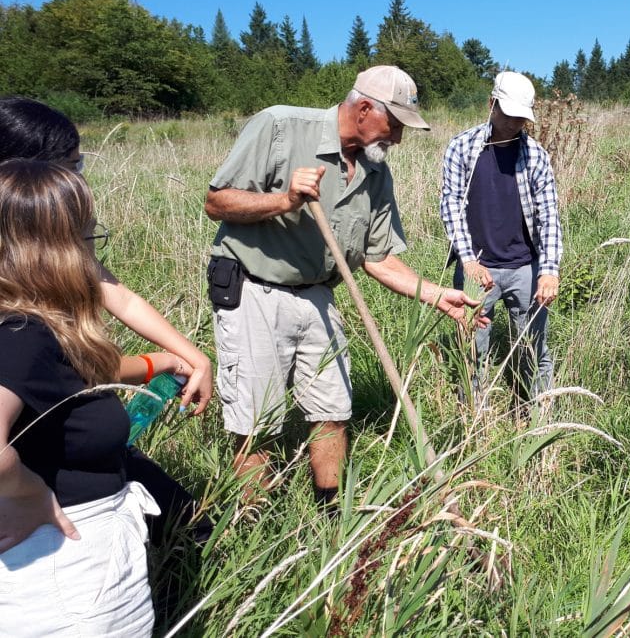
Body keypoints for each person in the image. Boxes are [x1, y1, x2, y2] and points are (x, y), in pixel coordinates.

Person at [205, 65, 484, 506]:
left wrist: (435, 294)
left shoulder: (376, 174)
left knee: (332, 410)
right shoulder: (280, 127)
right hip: (254, 288)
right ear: (364, 108)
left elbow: (378, 257)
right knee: (257, 419)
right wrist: (286, 200)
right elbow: (216, 201)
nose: (397, 138)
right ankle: (250, 523)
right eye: (393, 125)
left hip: (318, 294)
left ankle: (331, 514)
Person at [0, 96, 213, 549]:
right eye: (73, 167)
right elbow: (65, 369)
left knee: (184, 527)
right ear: (33, 179)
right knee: (184, 532)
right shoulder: (20, 319)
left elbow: (113, 290)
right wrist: (157, 363)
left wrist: (192, 357)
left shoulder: (44, 243)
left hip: (67, 434)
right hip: (34, 455)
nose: (83, 179)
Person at [0, 159, 194, 635]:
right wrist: (28, 496)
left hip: (81, 564)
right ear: (58, 251)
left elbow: (70, 376)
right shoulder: (22, 337)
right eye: (88, 237)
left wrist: (162, 361)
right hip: (65, 575)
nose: (94, 254)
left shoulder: (38, 328)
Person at [439, 71, 562, 402]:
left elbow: (549, 214)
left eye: (521, 117)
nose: (514, 123)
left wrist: (549, 269)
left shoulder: (535, 155)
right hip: (477, 268)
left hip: (525, 267)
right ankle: (471, 421)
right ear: (491, 104)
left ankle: (538, 416)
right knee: (472, 350)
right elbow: (450, 207)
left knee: (534, 349)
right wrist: (468, 262)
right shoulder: (462, 148)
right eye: (508, 115)